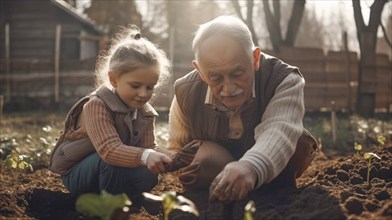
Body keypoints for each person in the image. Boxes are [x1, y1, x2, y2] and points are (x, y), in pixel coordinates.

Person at [166, 16, 319, 203]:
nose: (229, 88)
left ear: (255, 59)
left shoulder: (284, 79)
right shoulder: (186, 91)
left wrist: (250, 166)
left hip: (274, 167)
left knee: (298, 142)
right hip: (216, 169)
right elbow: (177, 147)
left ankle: (274, 192)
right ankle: (220, 192)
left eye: (237, 73)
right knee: (199, 161)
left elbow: (280, 128)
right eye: (215, 78)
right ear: (200, 71)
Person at [49, 25, 197, 209]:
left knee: (150, 173)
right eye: (135, 86)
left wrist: (177, 160)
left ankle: (127, 200)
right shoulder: (97, 105)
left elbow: (149, 147)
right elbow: (109, 151)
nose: (143, 93)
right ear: (113, 80)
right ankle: (107, 207)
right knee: (111, 166)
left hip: (113, 169)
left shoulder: (144, 112)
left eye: (150, 87)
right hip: (80, 172)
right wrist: (147, 155)